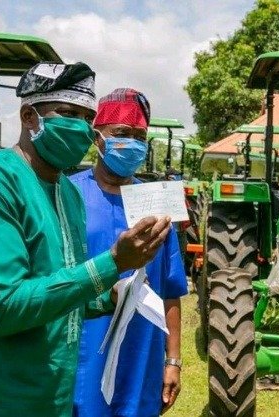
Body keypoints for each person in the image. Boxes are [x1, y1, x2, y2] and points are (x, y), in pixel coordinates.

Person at [0, 63, 170, 417]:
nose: (81, 127)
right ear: (29, 117)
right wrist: (111, 264)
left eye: (87, 118)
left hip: (43, 397)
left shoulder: (67, 193)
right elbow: (4, 307)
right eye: (68, 113)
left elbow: (54, 285)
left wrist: (109, 295)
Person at [72, 88, 187, 417]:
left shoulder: (157, 202)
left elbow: (171, 291)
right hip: (84, 352)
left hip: (142, 354)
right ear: (98, 138)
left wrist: (173, 361)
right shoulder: (69, 196)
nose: (132, 143)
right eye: (122, 134)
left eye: (140, 136)